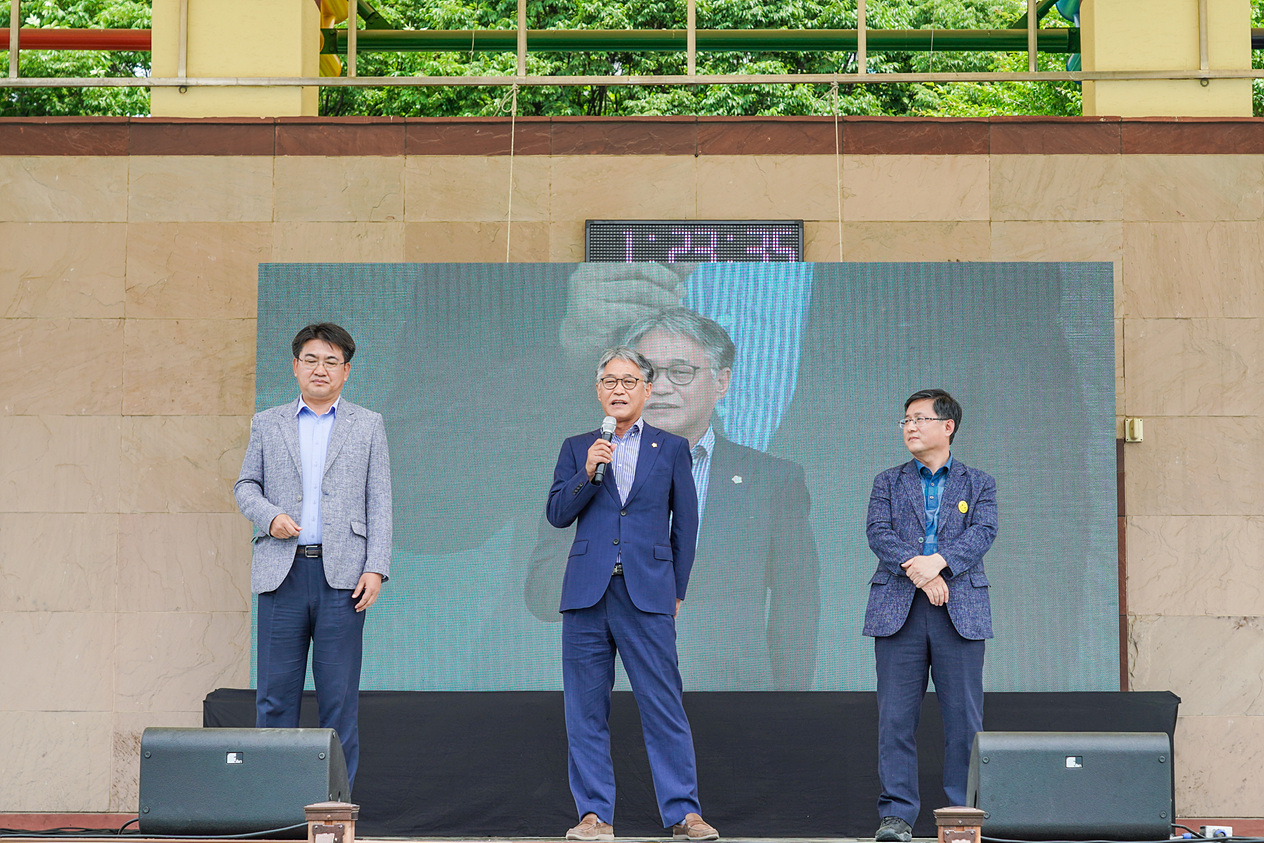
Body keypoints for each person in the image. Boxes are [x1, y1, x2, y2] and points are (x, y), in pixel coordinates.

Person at [526, 308, 820, 689]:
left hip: (731, 698)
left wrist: (790, 706)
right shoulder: (588, 464)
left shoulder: (773, 480)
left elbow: (795, 607)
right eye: (645, 374)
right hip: (613, 690)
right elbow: (543, 594)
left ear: (721, 382)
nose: (660, 387)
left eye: (680, 372)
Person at [545, 347, 718, 842]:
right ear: (598, 390)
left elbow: (686, 524)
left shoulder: (672, 447)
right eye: (610, 381)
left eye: (629, 381)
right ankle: (594, 816)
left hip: (648, 592)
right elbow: (558, 513)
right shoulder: (578, 446)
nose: (619, 390)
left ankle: (685, 813)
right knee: (585, 709)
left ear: (646, 389)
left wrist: (677, 589)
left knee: (663, 704)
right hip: (586, 595)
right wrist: (587, 472)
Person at [234, 322, 392, 789]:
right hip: (282, 576)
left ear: (346, 371)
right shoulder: (268, 422)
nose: (320, 369)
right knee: (275, 700)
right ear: (295, 366)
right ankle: (274, 806)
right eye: (311, 359)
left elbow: (379, 498)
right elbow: (245, 486)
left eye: (331, 361)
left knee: (338, 701)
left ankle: (334, 810)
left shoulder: (368, 424)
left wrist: (377, 567)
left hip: (343, 579)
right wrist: (269, 516)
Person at [864, 389, 997, 842]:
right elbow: (878, 533)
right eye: (905, 420)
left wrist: (938, 564)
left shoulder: (979, 482)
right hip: (897, 610)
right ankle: (897, 817)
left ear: (948, 426)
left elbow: (984, 532)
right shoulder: (888, 481)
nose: (910, 427)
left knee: (963, 718)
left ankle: (961, 815)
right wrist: (920, 572)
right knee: (896, 720)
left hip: (960, 611)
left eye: (919, 419)